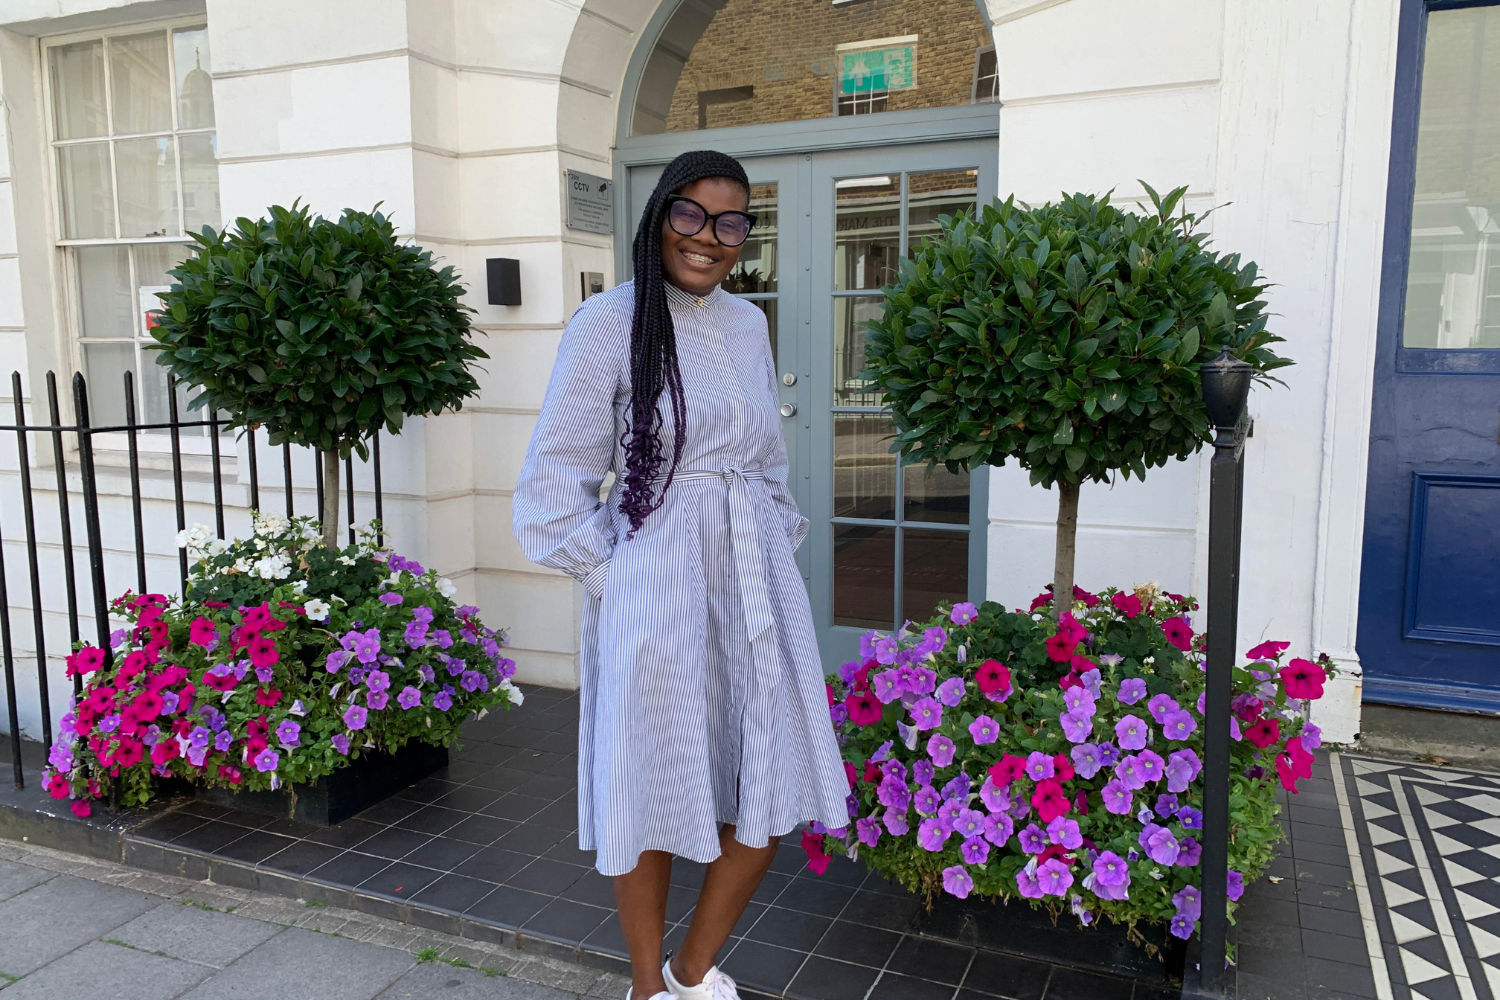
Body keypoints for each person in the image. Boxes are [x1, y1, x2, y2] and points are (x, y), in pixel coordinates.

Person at [512, 150, 849, 1000]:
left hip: (754, 577)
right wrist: (620, 578)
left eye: (731, 222)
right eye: (691, 215)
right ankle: (647, 991)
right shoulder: (608, 321)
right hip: (652, 582)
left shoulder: (747, 324)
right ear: (660, 214)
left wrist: (773, 538)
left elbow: (767, 461)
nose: (709, 238)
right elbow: (553, 484)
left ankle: (693, 971)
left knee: (766, 781)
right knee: (653, 780)